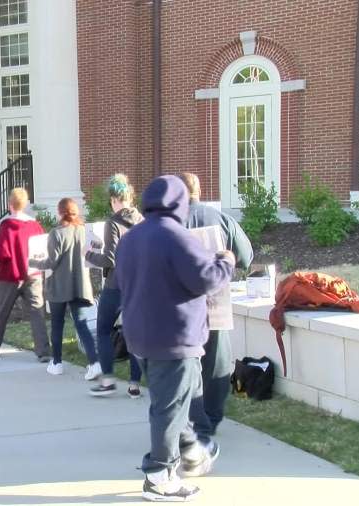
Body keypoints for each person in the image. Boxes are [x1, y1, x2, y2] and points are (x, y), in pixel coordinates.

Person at [115, 175, 235, 501]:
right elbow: (205, 279)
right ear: (180, 203)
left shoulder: (130, 238)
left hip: (141, 335)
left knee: (172, 401)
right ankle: (159, 476)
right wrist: (226, 261)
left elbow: (118, 282)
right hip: (175, 336)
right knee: (169, 407)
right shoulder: (177, 236)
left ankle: (190, 448)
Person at [179, 172, 254, 437]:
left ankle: (190, 419)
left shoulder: (172, 222)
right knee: (217, 363)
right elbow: (246, 256)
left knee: (186, 363)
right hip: (216, 303)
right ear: (199, 190)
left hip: (182, 306)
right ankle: (211, 417)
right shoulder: (221, 219)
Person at [88, 174, 146, 398]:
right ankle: (134, 384)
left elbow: (110, 258)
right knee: (134, 334)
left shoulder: (112, 223)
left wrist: (89, 254)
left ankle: (108, 380)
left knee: (103, 330)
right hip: (139, 284)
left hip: (116, 283)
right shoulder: (142, 221)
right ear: (130, 197)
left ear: (114, 199)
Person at [0, 187, 50, 361]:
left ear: (10, 204)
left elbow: (0, 254)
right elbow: (42, 250)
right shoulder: (35, 226)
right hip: (33, 275)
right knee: (37, 313)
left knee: (1, 312)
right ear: (25, 204)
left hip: (9, 276)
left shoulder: (6, 226)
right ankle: (44, 351)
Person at [29, 198, 97, 376]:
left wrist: (32, 261)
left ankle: (57, 362)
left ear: (60, 213)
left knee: (57, 325)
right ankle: (94, 362)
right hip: (80, 285)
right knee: (82, 325)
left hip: (59, 286)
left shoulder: (56, 233)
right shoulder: (84, 231)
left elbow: (52, 262)